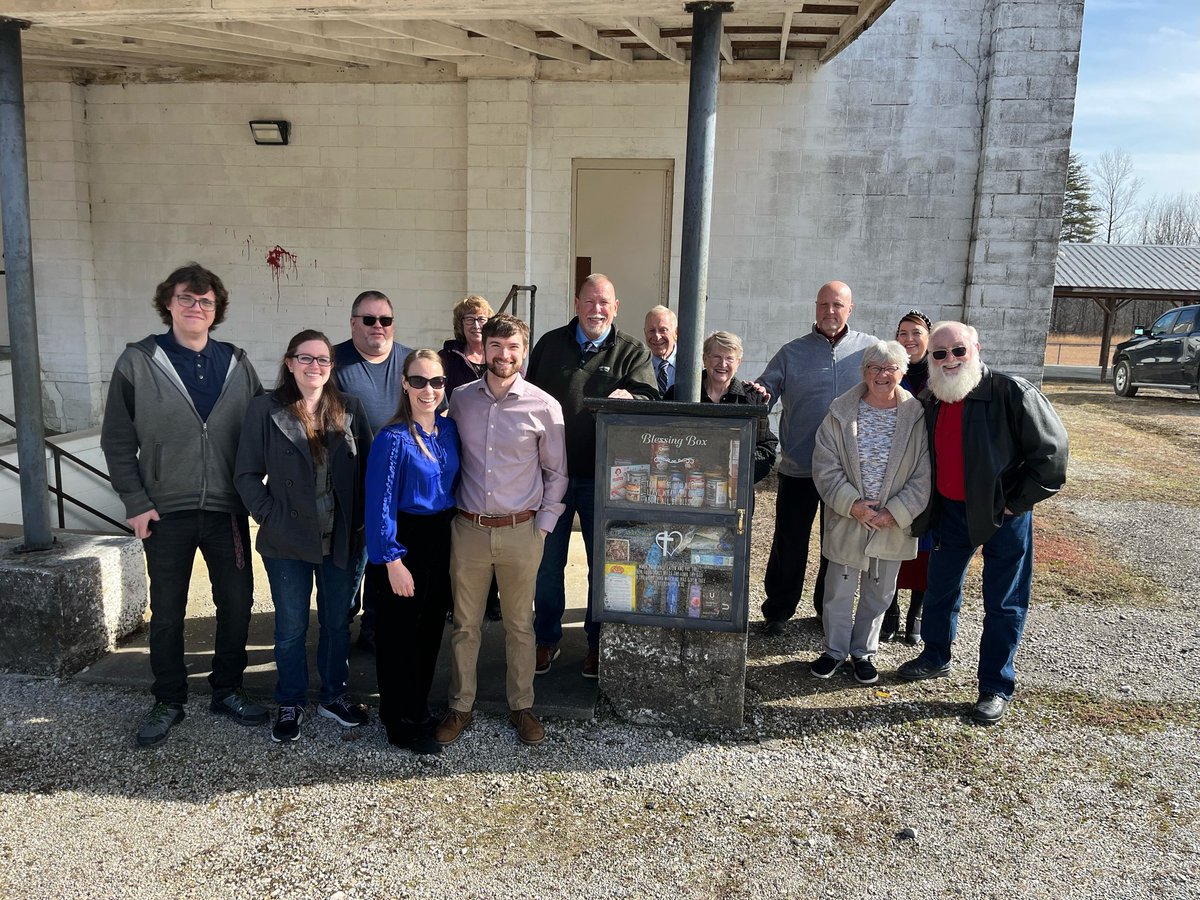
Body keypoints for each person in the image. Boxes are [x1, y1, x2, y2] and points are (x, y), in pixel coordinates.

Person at [101, 262, 268, 747]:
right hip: (164, 511)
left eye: (206, 302)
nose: (197, 307)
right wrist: (135, 502)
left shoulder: (236, 362)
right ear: (168, 304)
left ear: (217, 311)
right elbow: (116, 439)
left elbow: (261, 428)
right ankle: (168, 698)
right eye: (187, 299)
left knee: (236, 603)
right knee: (169, 611)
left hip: (228, 510)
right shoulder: (138, 360)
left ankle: (228, 689)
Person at [897, 322, 1068, 725]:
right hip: (951, 513)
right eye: (939, 354)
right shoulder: (933, 398)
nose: (950, 359)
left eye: (958, 350)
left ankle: (995, 685)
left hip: (1002, 517)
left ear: (976, 347)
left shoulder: (1012, 393)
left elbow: (1052, 457)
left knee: (1003, 603)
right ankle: (936, 654)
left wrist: (1014, 504)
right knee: (939, 589)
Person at [235, 330, 373, 743]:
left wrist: (365, 525)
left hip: (341, 537)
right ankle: (290, 700)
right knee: (291, 626)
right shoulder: (265, 409)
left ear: (331, 367)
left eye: (323, 360)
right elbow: (245, 475)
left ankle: (334, 696)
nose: (315, 366)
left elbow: (368, 469)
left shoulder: (349, 408)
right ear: (290, 362)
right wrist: (269, 516)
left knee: (335, 622)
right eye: (306, 358)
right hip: (287, 540)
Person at [437, 314, 568, 748]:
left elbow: (557, 474)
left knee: (519, 626)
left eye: (513, 347)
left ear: (523, 351)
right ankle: (460, 707)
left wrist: (543, 527)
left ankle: (522, 705)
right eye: (496, 345)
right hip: (469, 528)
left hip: (521, 531)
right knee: (464, 625)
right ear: (484, 347)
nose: (504, 355)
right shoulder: (459, 399)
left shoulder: (545, 407)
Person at [525, 273, 658, 679]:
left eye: (604, 303)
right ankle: (546, 639)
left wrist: (632, 397)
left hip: (607, 480)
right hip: (553, 477)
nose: (596, 309)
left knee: (605, 565)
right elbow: (526, 398)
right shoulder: (549, 345)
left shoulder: (632, 353)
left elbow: (651, 398)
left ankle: (597, 645)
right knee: (547, 564)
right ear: (577, 303)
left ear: (615, 307)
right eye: (589, 301)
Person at [753, 281, 877, 635]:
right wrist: (759, 392)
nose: (829, 311)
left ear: (850, 309)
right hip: (799, 467)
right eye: (823, 304)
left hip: (847, 474)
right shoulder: (791, 353)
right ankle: (778, 610)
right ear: (815, 308)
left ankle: (826, 610)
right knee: (789, 541)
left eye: (837, 305)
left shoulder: (868, 350)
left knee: (835, 545)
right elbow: (766, 392)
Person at [810, 341, 931, 685]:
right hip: (849, 516)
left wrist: (896, 512)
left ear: (902, 372)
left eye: (890, 368)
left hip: (892, 522)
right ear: (863, 372)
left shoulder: (916, 416)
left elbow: (924, 473)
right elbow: (824, 465)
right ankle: (834, 651)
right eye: (874, 368)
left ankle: (863, 652)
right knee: (838, 590)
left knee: (880, 592)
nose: (882, 375)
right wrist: (852, 504)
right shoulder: (840, 411)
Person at [363, 350, 461, 755]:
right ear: (404, 383)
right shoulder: (393, 438)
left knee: (429, 631)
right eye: (419, 381)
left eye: (436, 382)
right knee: (398, 636)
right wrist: (392, 560)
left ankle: (418, 709)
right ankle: (399, 721)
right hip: (404, 540)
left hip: (441, 536)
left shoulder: (448, 430)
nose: (428, 390)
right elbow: (379, 503)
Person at [333, 290, 414, 653]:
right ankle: (337, 633)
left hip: (398, 484)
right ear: (353, 324)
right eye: (369, 320)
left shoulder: (410, 361)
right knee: (351, 565)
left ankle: (373, 631)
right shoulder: (333, 361)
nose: (377, 327)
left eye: (385, 320)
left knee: (385, 562)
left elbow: (436, 413)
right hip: (350, 484)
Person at [438, 294, 502, 622]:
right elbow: (430, 397)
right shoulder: (446, 359)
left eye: (481, 319)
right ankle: (456, 599)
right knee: (460, 529)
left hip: (489, 453)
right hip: (453, 452)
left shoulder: (498, 357)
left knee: (490, 523)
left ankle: (491, 599)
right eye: (469, 320)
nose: (476, 325)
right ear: (459, 325)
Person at [664, 330, 778, 484]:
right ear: (705, 358)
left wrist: (742, 473)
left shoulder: (752, 398)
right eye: (716, 357)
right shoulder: (679, 394)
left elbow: (767, 447)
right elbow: (662, 438)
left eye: (729, 358)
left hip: (735, 494)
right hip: (685, 488)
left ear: (738, 363)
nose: (722, 364)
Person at [881, 309, 933, 644]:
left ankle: (917, 610)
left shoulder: (941, 372)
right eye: (902, 333)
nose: (909, 340)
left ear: (928, 337)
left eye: (915, 333)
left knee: (924, 541)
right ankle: (890, 610)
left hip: (930, 464)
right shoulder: (890, 370)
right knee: (892, 535)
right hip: (893, 465)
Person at [644, 305, 678, 396]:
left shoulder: (690, 364)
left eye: (663, 330)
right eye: (651, 330)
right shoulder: (638, 364)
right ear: (645, 333)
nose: (657, 337)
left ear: (676, 332)